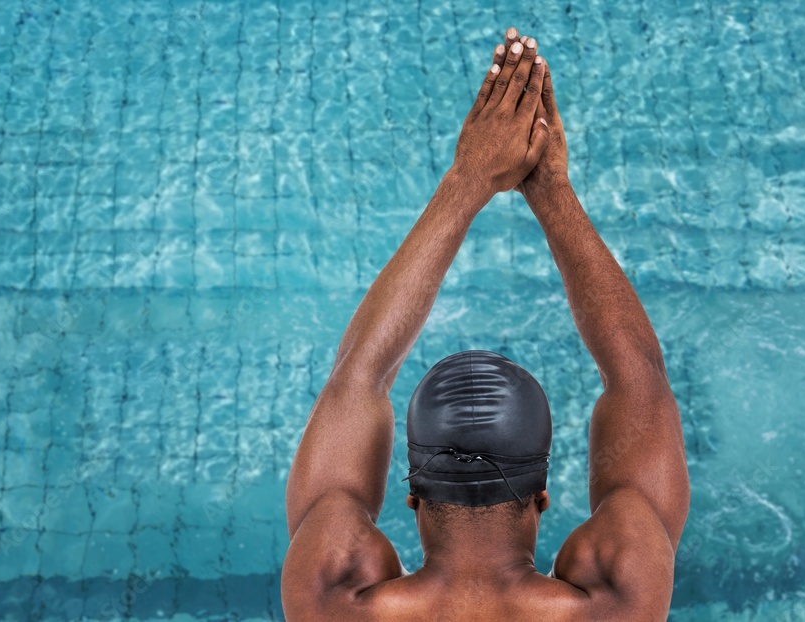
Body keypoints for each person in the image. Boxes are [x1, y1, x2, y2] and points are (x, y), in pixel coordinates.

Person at [281, 27, 690, 621]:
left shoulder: (331, 600)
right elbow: (641, 382)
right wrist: (552, 190)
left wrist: (465, 182)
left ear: (413, 499)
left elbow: (357, 377)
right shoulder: (617, 603)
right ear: (541, 500)